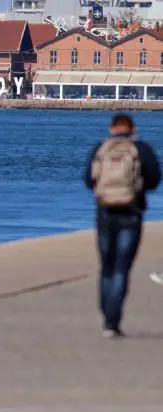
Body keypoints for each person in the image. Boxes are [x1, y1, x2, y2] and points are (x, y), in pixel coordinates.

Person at [84, 113, 160, 339]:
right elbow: (155, 179)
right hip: (131, 213)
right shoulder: (141, 149)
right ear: (132, 129)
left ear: (112, 128)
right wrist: (137, 189)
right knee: (121, 268)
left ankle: (106, 315)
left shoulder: (100, 148)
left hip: (105, 212)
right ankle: (113, 320)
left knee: (106, 266)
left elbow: (88, 179)